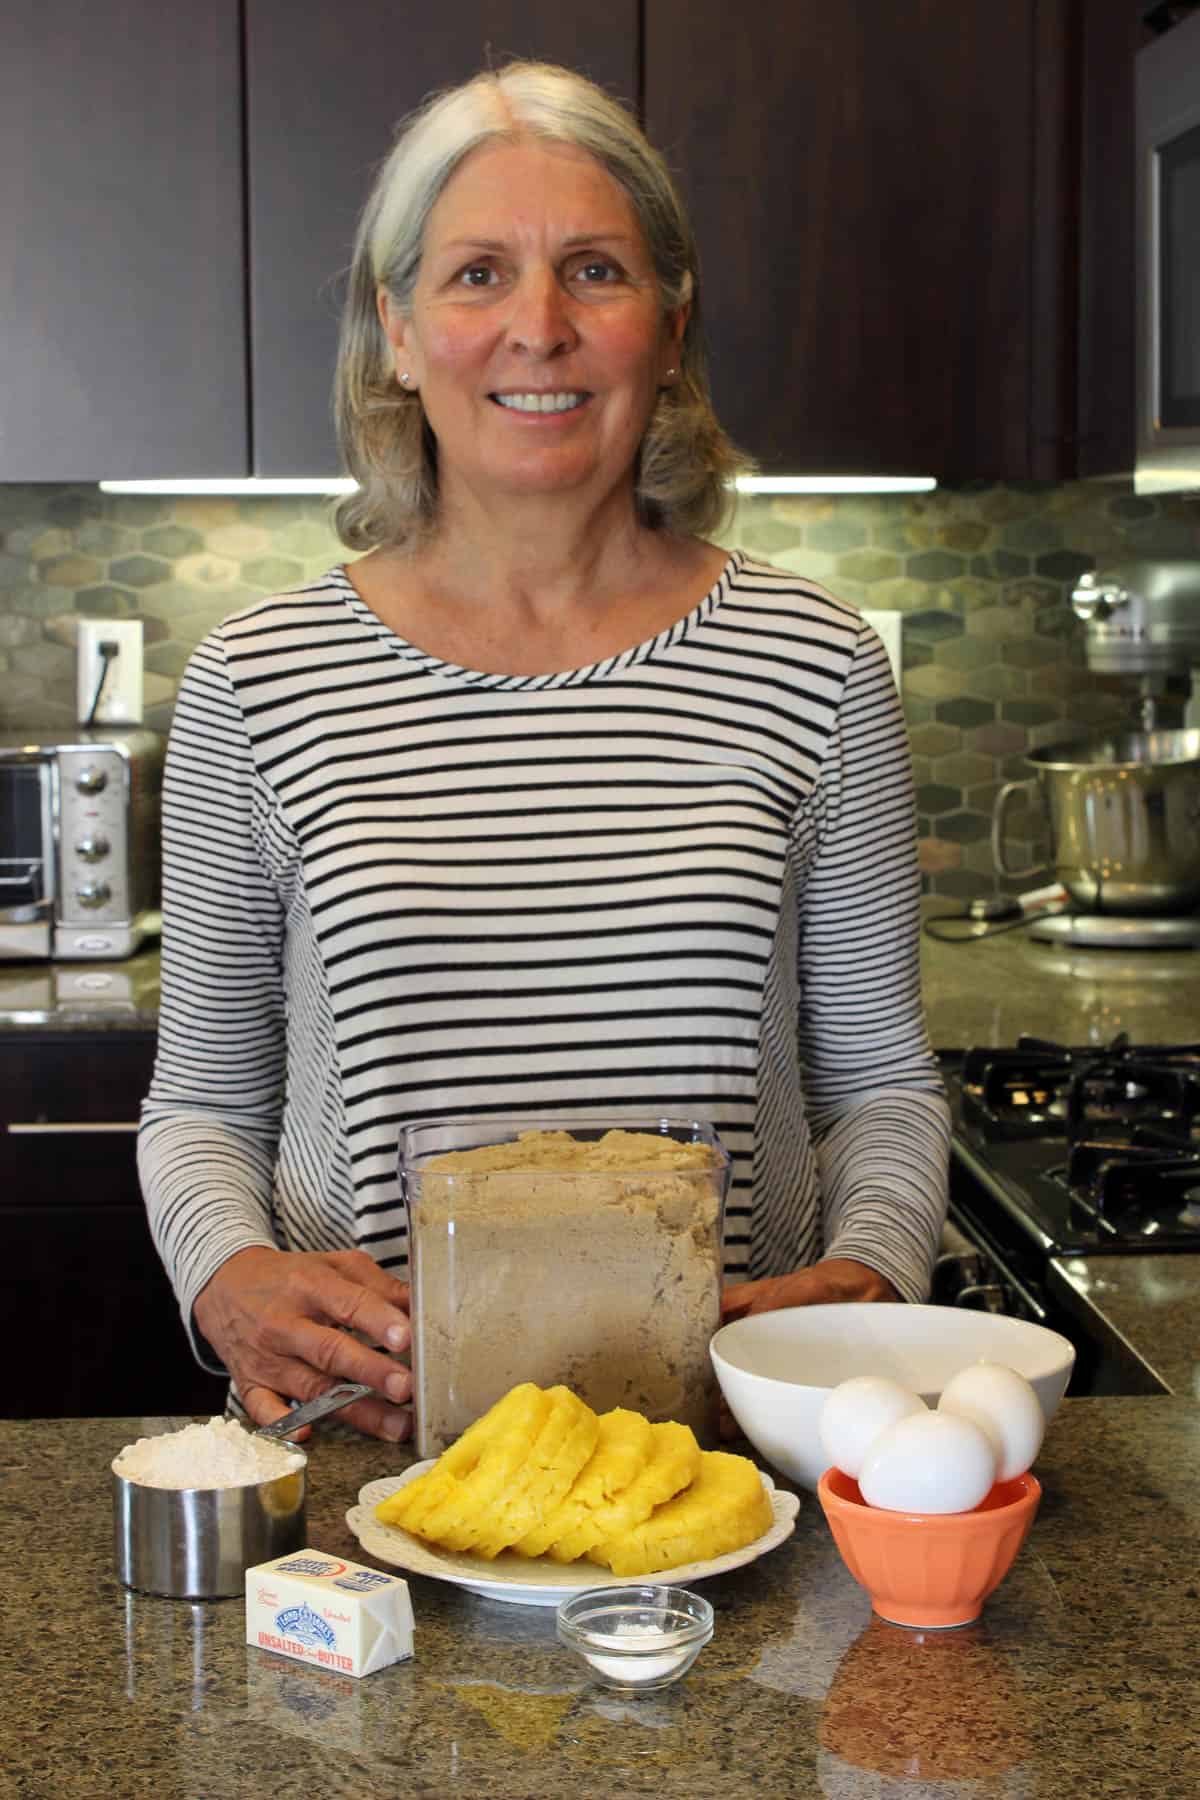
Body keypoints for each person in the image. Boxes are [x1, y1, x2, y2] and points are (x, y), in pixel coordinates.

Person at [138, 60, 951, 1444]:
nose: (538, 328)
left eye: (593, 270)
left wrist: (869, 1277)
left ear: (670, 324)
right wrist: (226, 1276)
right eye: (474, 276)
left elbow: (879, 1080)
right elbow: (202, 1101)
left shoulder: (815, 665)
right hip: (371, 1452)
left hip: (716, 1464)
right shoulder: (257, 682)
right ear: (396, 330)